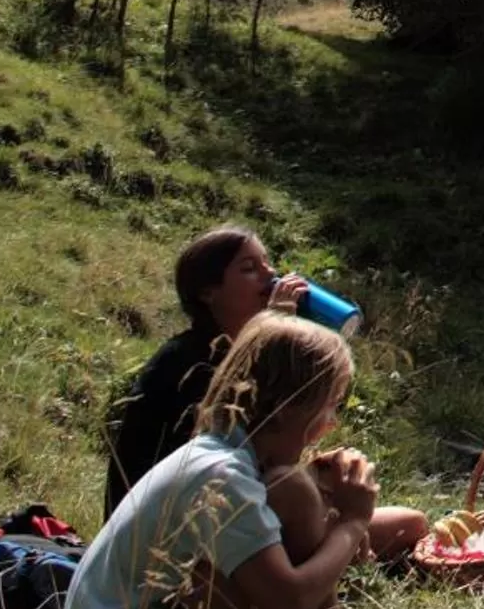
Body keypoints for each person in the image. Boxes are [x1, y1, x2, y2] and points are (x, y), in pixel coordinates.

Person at [57, 314, 397, 609]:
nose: (331, 424)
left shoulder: (219, 456)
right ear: (289, 406)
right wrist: (352, 523)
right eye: (330, 405)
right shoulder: (223, 477)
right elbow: (289, 602)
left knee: (292, 491)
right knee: (289, 503)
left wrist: (322, 509)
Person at [102, 227, 427, 556]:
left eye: (267, 262)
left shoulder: (232, 356)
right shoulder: (192, 363)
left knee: (407, 522)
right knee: (402, 523)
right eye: (249, 268)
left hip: (219, 514)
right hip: (175, 539)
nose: (269, 274)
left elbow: (258, 457)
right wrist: (277, 330)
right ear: (208, 292)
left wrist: (317, 471)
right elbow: (233, 472)